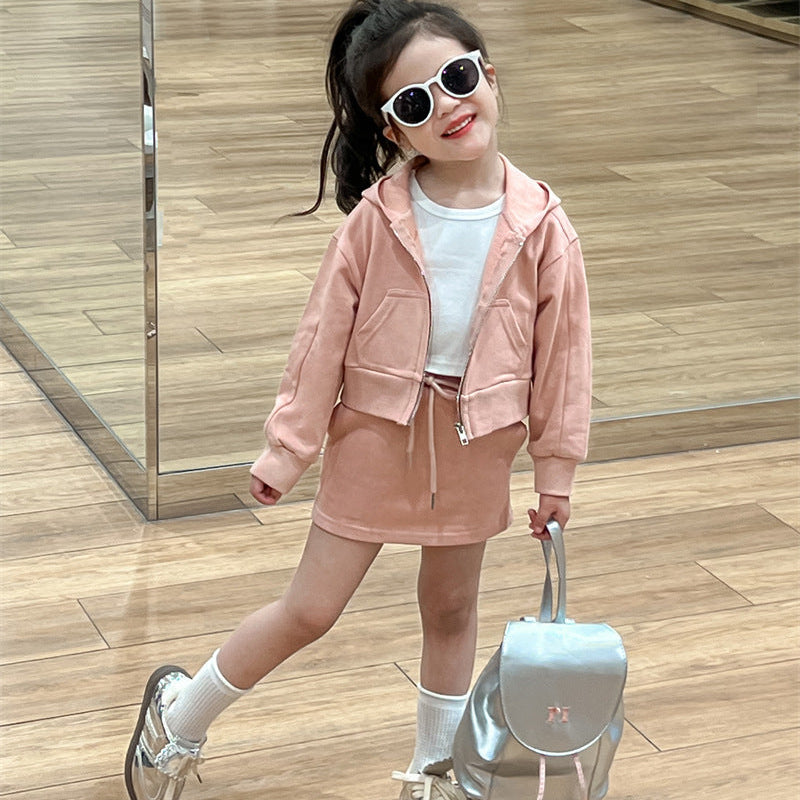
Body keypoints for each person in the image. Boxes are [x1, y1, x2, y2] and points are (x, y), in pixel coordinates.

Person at [124, 1, 591, 798]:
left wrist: (557, 471)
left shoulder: (545, 226)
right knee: (311, 610)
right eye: (415, 101)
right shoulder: (375, 222)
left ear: (488, 74)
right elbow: (320, 343)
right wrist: (288, 448)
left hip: (479, 443)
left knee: (452, 613)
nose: (447, 106)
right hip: (376, 435)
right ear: (393, 129)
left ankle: (432, 776)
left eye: (457, 78)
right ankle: (178, 715)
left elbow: (565, 359)